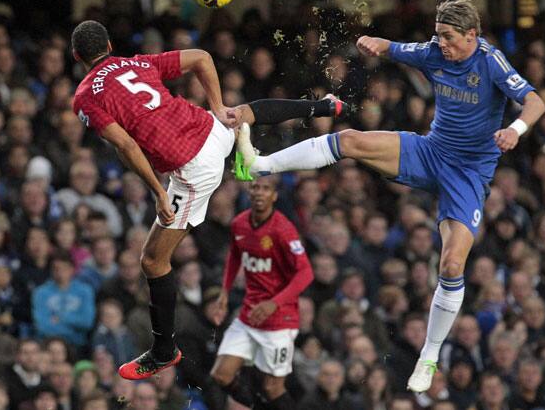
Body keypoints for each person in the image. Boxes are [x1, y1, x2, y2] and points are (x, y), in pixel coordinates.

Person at [234, 0, 545, 392]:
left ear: (472, 36)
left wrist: (515, 130)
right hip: (431, 152)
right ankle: (258, 165)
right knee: (349, 140)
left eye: (449, 38)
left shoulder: (490, 61)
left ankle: (429, 355)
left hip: (467, 175)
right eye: (437, 36)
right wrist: (373, 43)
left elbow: (535, 101)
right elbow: (392, 47)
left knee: (451, 265)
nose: (441, 45)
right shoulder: (434, 52)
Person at [70, 20, 347, 379]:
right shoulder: (137, 62)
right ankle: (323, 107)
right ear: (108, 43)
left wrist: (158, 192)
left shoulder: (86, 96)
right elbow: (201, 57)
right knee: (240, 113)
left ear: (78, 57)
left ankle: (164, 350)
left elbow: (125, 145)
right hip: (211, 129)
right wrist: (217, 105)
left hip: (193, 167)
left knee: (153, 261)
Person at [210, 176, 314, 410]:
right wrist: (224, 293)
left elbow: (306, 273)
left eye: (266, 189)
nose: (259, 192)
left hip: (279, 320)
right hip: (249, 315)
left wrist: (273, 304)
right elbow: (235, 255)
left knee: (272, 388)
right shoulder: (239, 224)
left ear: (274, 196)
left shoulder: (283, 229)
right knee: (221, 375)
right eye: (255, 187)